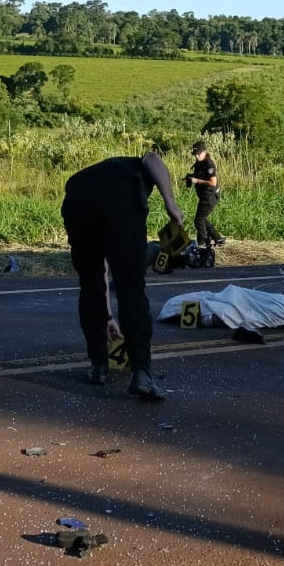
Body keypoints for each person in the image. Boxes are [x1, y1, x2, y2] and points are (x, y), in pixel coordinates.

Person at [61, 151, 185, 400]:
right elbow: (152, 158)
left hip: (76, 196)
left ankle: (98, 366)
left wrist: (107, 315)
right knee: (131, 286)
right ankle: (141, 373)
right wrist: (171, 204)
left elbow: (102, 271)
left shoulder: (104, 170)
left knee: (90, 281)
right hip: (115, 196)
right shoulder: (135, 168)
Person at [185, 139, 225, 248]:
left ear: (204, 152)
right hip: (204, 196)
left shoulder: (209, 164)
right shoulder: (199, 163)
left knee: (199, 220)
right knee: (202, 219)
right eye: (195, 154)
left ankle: (205, 243)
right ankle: (217, 238)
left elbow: (213, 182)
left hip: (210, 196)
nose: (197, 156)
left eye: (198, 153)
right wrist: (190, 177)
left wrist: (196, 181)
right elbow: (199, 176)